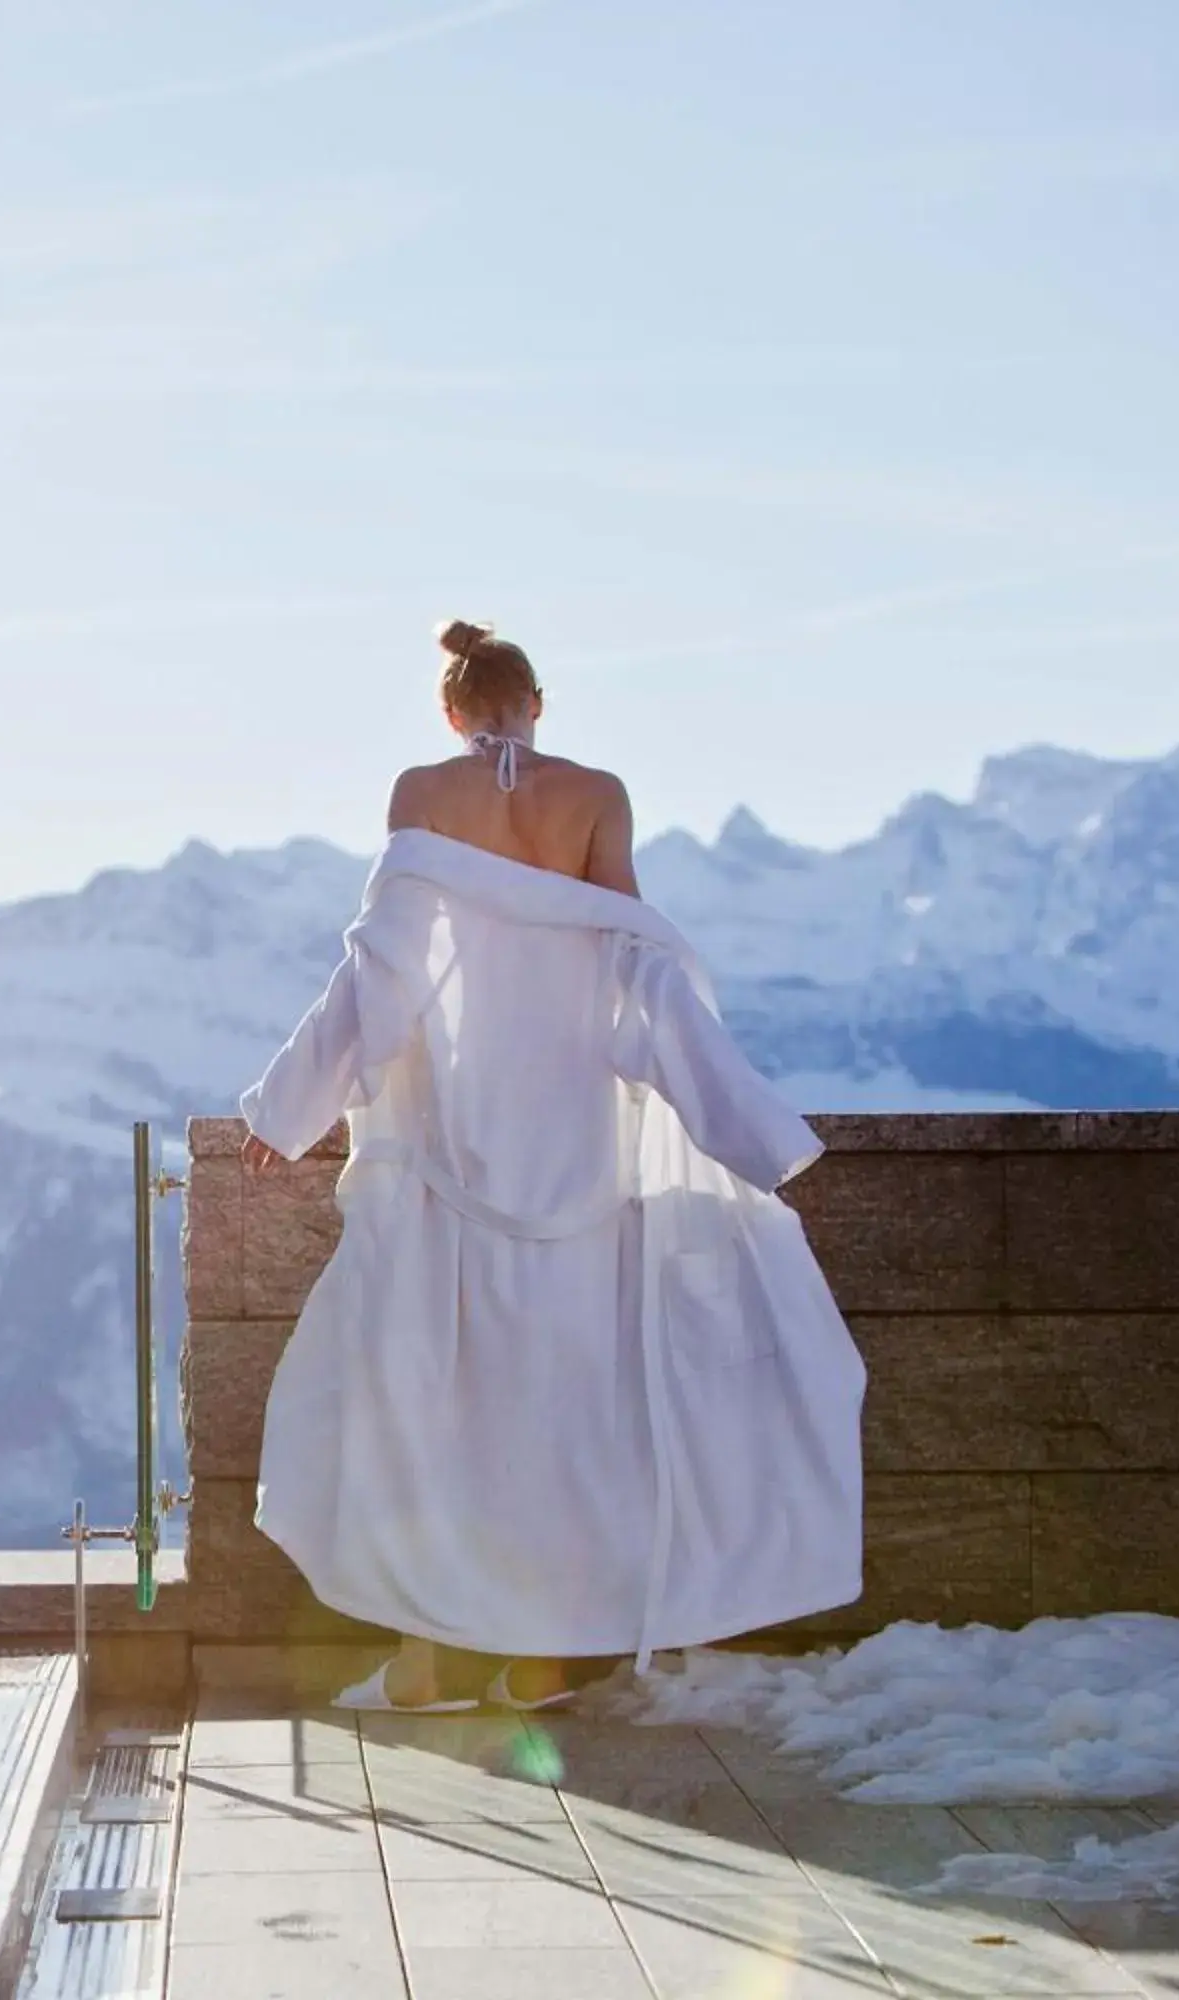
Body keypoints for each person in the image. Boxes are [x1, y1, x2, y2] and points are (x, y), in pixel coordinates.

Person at [238, 619, 864, 1713]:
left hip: (450, 1136)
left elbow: (382, 966)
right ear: (539, 701)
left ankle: (431, 1658)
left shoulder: (422, 790)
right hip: (573, 1134)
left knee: (431, 1398)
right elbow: (635, 961)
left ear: (452, 711)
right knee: (562, 1407)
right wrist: (749, 1125)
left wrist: (290, 1104)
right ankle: (540, 1658)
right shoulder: (597, 794)